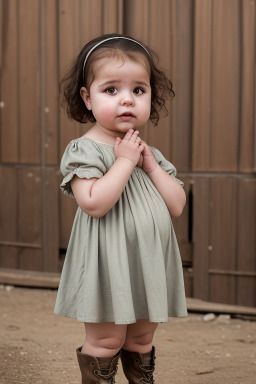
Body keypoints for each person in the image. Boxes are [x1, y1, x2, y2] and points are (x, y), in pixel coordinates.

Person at [54, 33, 187, 384]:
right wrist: (125, 163)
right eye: (111, 90)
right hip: (107, 265)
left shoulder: (149, 154)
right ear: (87, 97)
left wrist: (151, 166)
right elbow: (94, 203)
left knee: (141, 339)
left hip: (147, 262)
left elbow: (176, 205)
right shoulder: (85, 149)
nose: (127, 99)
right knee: (107, 339)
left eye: (138, 90)